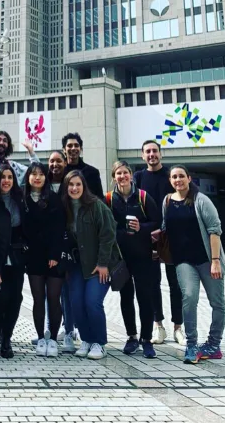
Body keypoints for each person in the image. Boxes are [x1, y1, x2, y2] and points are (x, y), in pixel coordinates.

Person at [162, 165, 225, 365]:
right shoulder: (167, 201)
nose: (178, 179)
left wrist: (215, 261)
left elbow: (215, 230)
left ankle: (214, 344)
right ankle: (192, 344)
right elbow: (166, 228)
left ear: (189, 178)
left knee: (217, 303)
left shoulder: (201, 200)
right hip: (183, 261)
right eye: (174, 177)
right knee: (189, 297)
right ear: (170, 180)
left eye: (181, 176)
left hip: (208, 260)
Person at [60, 170, 120, 360]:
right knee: (75, 302)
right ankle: (86, 339)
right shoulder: (65, 207)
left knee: (92, 302)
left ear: (84, 186)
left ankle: (99, 343)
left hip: (99, 265)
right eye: (71, 185)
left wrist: (103, 263)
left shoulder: (96, 206)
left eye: (78, 184)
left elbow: (108, 234)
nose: (74, 188)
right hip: (77, 265)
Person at [133, 140, 185, 346]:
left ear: (161, 154)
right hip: (148, 237)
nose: (152, 154)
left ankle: (178, 327)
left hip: (172, 238)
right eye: (148, 152)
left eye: (155, 151)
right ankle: (158, 326)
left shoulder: (171, 176)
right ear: (143, 156)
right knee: (152, 283)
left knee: (175, 285)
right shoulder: (138, 177)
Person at [107, 161, 160, 359]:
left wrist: (142, 228)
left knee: (145, 297)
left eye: (125, 173)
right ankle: (131, 337)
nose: (122, 176)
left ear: (131, 175)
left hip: (144, 257)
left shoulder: (144, 197)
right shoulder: (109, 198)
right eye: (118, 173)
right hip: (121, 258)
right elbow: (106, 226)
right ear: (114, 177)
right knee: (126, 297)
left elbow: (157, 222)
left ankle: (147, 339)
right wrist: (121, 232)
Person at [23, 163, 65, 358]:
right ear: (28, 177)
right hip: (33, 257)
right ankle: (41, 337)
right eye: (33, 174)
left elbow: (59, 228)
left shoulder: (54, 199)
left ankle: (54, 339)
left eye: (41, 174)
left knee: (54, 299)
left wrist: (55, 255)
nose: (37, 177)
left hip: (53, 258)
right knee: (38, 299)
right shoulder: (22, 199)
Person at [0, 164, 27, 359]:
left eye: (10, 177)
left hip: (17, 260)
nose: (7, 180)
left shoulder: (20, 200)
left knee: (15, 299)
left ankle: (7, 339)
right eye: (3, 177)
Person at [47, 150, 78, 353]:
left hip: (68, 246)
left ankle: (69, 332)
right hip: (49, 246)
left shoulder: (70, 186)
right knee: (52, 292)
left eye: (59, 160)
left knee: (67, 292)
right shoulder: (45, 186)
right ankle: (51, 330)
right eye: (51, 161)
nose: (55, 164)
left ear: (65, 163)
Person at [62, 132, 104, 199]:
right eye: (70, 146)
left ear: (81, 149)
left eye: (76, 145)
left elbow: (100, 198)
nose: (73, 148)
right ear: (64, 149)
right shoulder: (59, 172)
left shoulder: (93, 173)